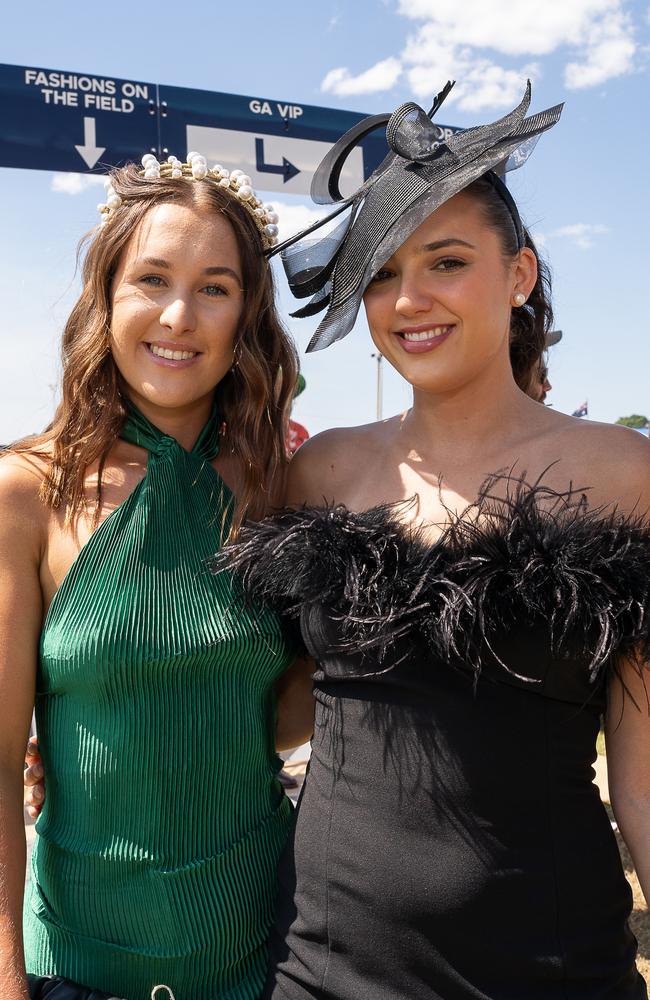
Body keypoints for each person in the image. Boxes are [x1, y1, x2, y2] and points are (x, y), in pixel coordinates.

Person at [216, 83, 650, 998]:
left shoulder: (626, 478)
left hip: (557, 970)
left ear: (520, 275)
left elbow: (644, 778)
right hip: (323, 966)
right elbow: (277, 704)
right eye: (379, 273)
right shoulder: (320, 473)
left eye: (446, 261)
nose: (408, 300)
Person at [2, 153, 313, 1000]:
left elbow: (284, 714)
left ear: (245, 315)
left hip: (263, 958)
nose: (179, 315)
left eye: (215, 287)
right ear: (105, 298)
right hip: (75, 968)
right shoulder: (24, 494)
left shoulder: (287, 487)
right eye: (151, 279)